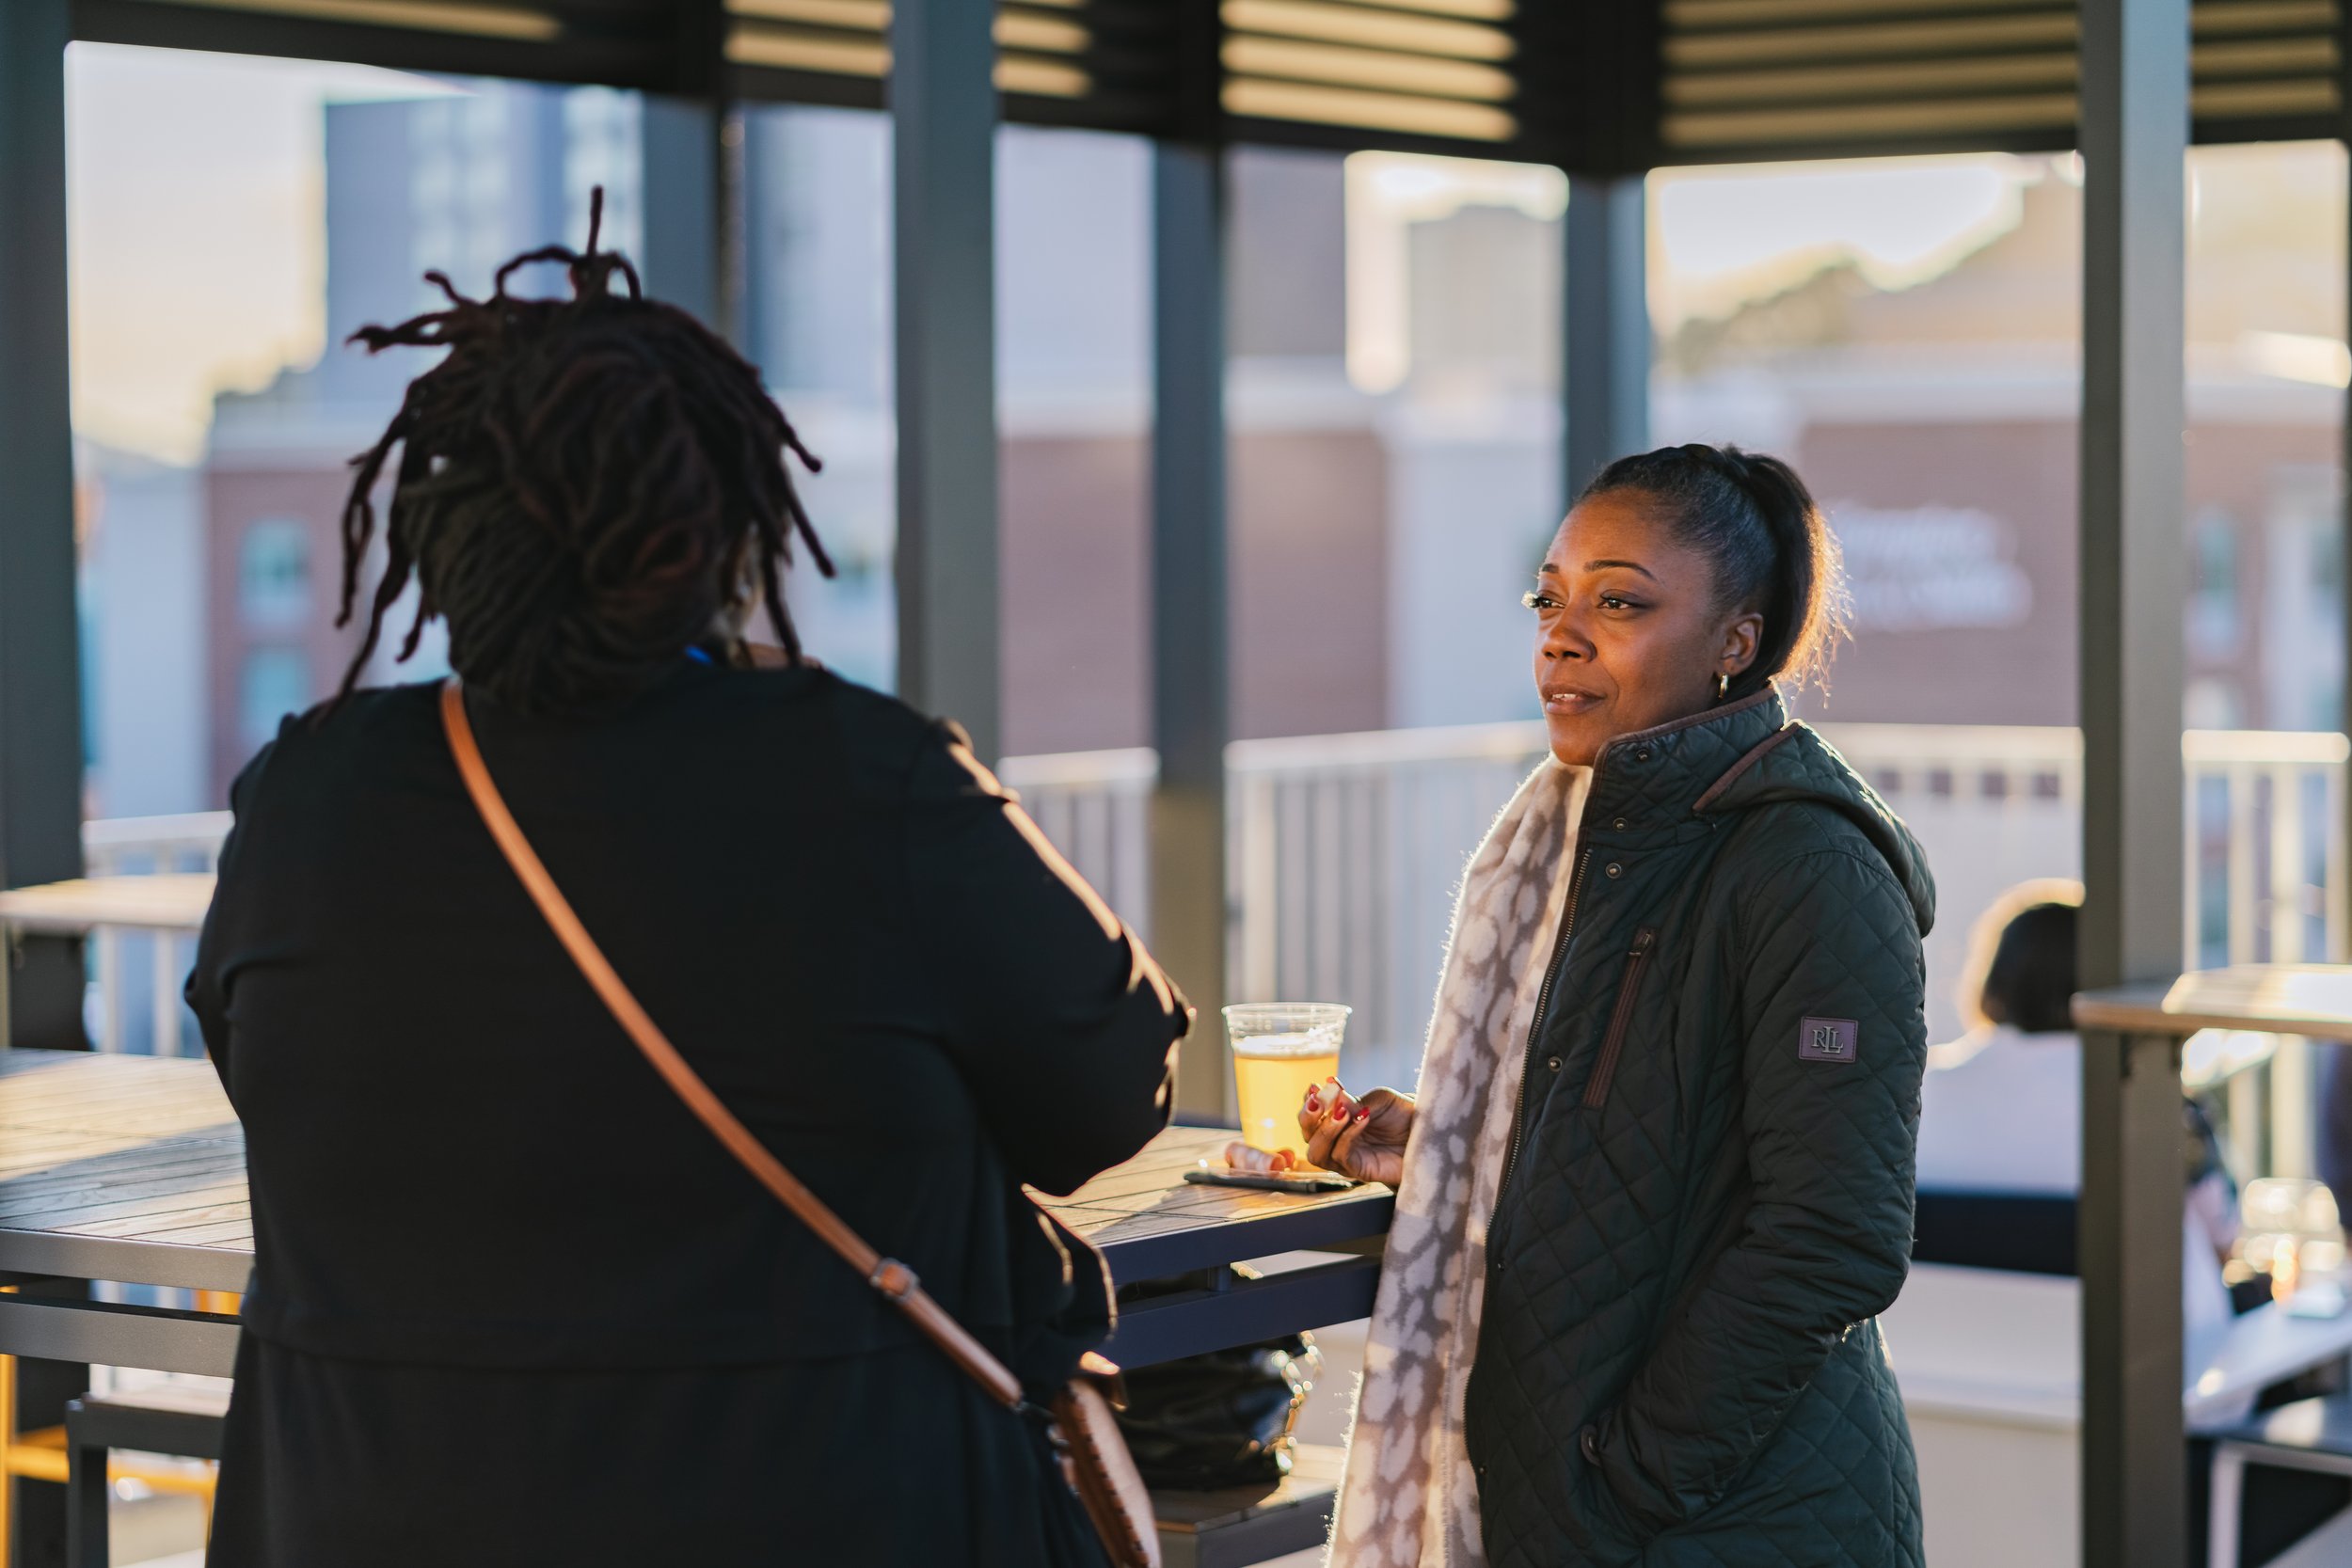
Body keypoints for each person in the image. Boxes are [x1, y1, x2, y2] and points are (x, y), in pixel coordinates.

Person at [186, 210, 1188, 1566]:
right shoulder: (859, 775)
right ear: (721, 527)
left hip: (364, 1510)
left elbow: (275, 1079)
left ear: (436, 532)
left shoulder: (308, 793)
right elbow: (1110, 1087)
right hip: (815, 1501)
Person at [1300, 445, 1933, 1568]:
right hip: (1567, 1501)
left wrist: (1626, 1473)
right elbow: (1629, 1134)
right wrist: (1448, 1147)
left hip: (1722, 1519)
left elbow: (1832, 1235)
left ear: (1735, 643)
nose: (1562, 633)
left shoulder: (1810, 868)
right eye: (1550, 596)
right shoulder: (1581, 845)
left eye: (1621, 602)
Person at [1915, 881, 2240, 1380]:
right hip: (2149, 1392)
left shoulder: (1913, 1096)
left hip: (1948, 1382)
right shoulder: (2156, 1108)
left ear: (1995, 979)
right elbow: (2226, 1239)